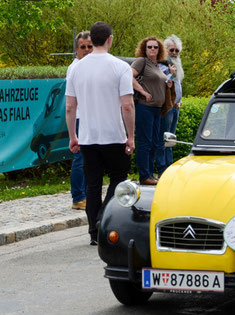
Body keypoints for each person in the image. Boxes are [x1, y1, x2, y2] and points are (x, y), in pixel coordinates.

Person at [65, 21, 135, 245]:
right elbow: (127, 105)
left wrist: (72, 136)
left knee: (92, 184)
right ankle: (103, 217)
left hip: (87, 136)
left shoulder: (76, 68)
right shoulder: (120, 67)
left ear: (91, 40)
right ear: (110, 39)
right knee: (118, 178)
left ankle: (93, 232)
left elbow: (69, 107)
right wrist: (131, 136)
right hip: (113, 135)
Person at [131, 36, 173, 185]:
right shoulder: (142, 61)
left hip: (157, 109)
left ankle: (150, 174)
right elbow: (129, 76)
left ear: (159, 49)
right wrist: (142, 91)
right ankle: (144, 176)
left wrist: (166, 85)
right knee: (145, 142)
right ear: (144, 48)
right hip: (145, 108)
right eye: (149, 47)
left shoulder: (156, 65)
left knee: (155, 143)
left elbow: (157, 82)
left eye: (155, 47)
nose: (153, 49)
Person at [67, 31, 93, 211]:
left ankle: (85, 193)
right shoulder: (76, 67)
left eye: (90, 46)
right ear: (77, 49)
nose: (86, 50)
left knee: (88, 158)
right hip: (79, 117)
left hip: (89, 116)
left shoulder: (90, 66)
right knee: (80, 157)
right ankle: (78, 196)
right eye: (82, 47)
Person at [156, 35, 183, 174]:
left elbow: (177, 85)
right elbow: (163, 83)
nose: (174, 53)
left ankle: (169, 169)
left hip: (175, 107)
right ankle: (162, 169)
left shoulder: (176, 65)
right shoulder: (161, 65)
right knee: (163, 139)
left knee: (171, 140)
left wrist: (179, 101)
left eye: (177, 50)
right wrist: (171, 75)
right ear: (166, 50)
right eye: (172, 50)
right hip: (166, 107)